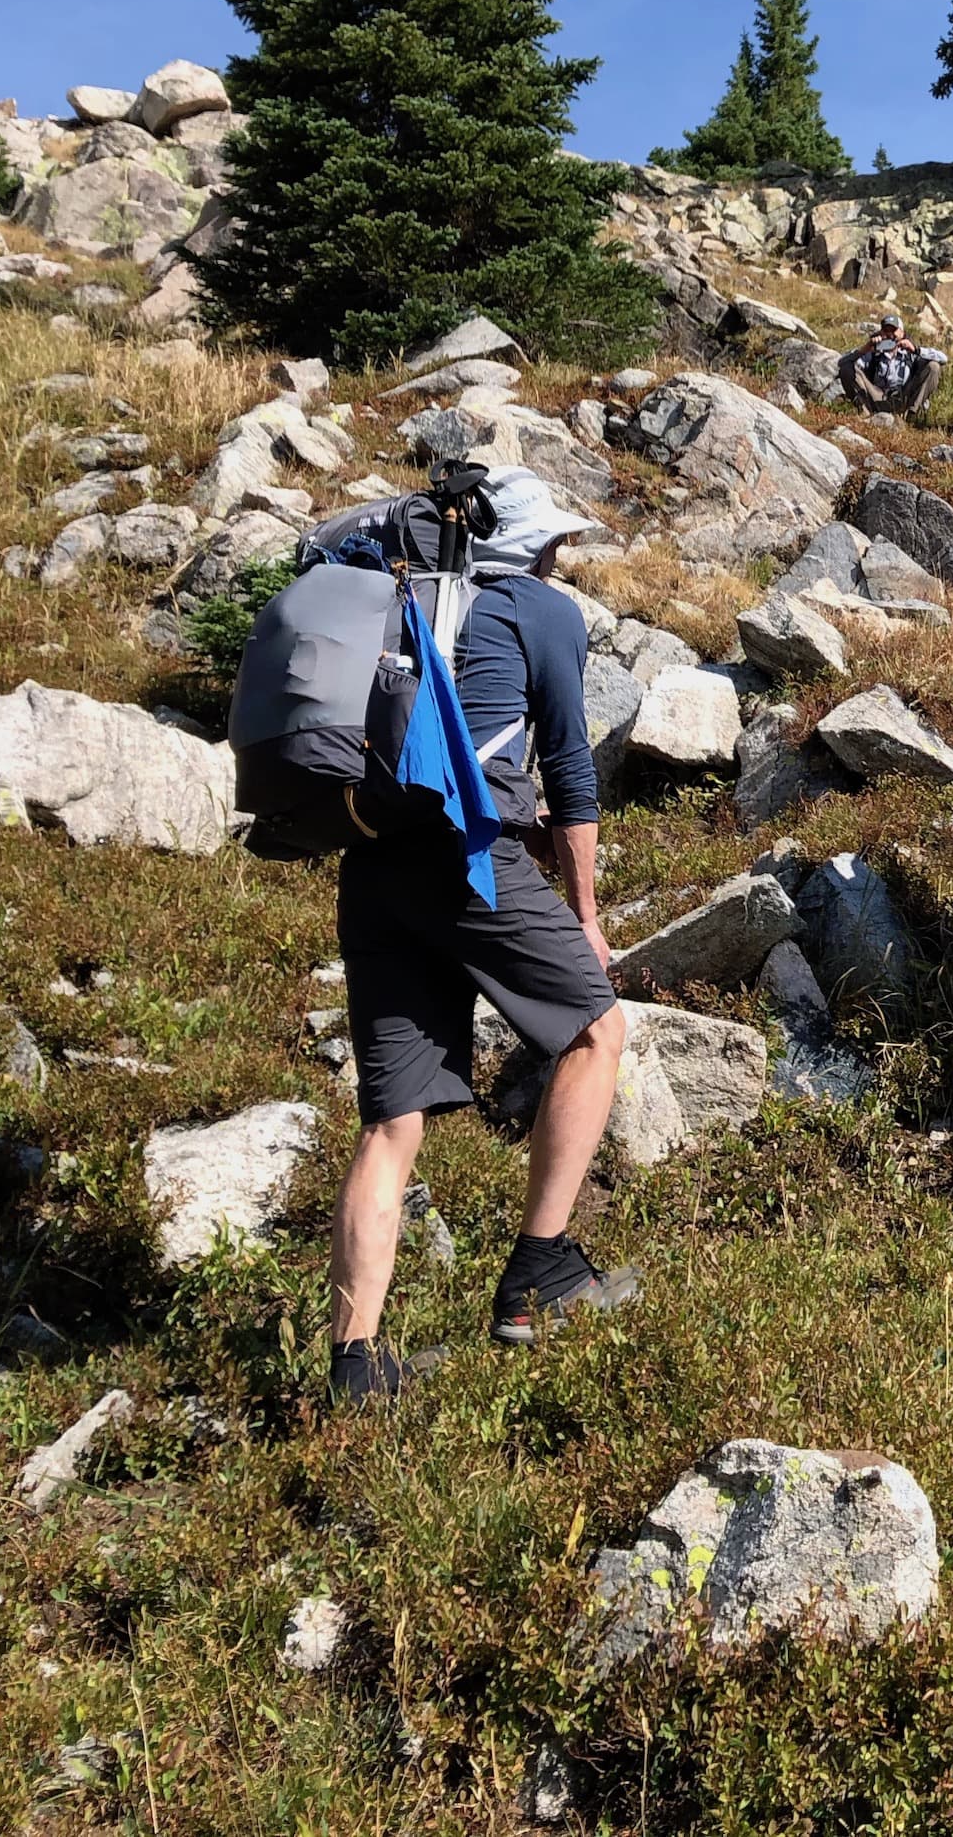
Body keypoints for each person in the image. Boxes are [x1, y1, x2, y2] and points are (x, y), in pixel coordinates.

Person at [326, 466, 635, 1403]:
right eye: (558, 544)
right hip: (467, 859)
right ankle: (538, 1273)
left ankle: (354, 1369)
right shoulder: (540, 610)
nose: (563, 557)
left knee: (390, 1125)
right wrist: (583, 914)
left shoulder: (401, 604)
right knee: (596, 1031)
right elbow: (572, 772)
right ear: (536, 548)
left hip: (374, 863)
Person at [836, 311, 944, 419]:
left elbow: (943, 358)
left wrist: (916, 350)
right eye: (885, 330)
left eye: (893, 330)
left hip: (903, 396)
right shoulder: (873, 352)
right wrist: (866, 348)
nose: (890, 334)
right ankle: (865, 411)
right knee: (847, 369)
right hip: (877, 395)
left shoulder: (911, 353)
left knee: (933, 367)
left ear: (902, 333)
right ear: (880, 332)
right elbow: (842, 363)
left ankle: (911, 415)